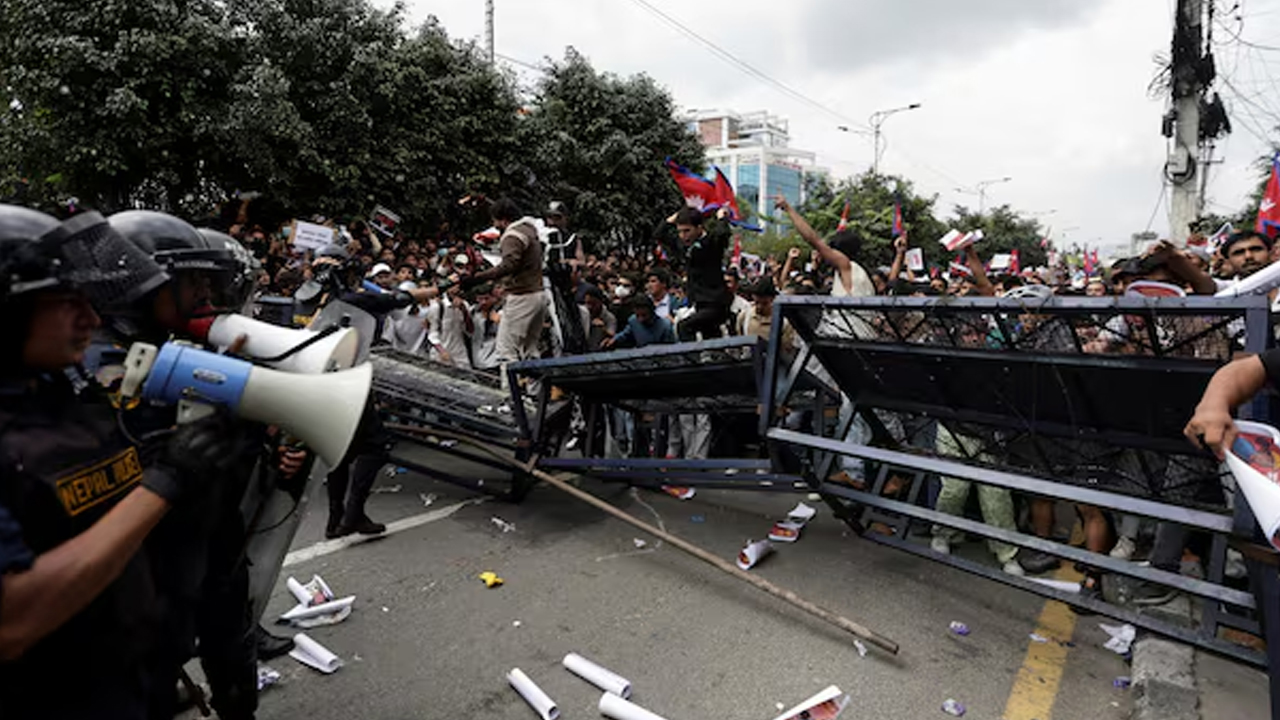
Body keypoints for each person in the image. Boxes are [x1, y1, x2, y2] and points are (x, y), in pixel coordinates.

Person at [0, 206, 239, 719]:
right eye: (66, 304)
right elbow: (12, 618)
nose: (90, 319)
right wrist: (165, 481)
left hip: (124, 672)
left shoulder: (60, 394)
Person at [460, 199, 547, 380]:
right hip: (538, 294)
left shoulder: (512, 235)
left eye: (495, 221)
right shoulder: (530, 230)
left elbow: (509, 265)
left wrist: (477, 279)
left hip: (522, 296)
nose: (495, 226)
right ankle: (534, 396)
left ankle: (510, 400)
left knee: (506, 350)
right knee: (530, 349)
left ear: (503, 220)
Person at [672, 206, 732, 342]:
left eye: (687, 231)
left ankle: (691, 361)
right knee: (711, 340)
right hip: (699, 303)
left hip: (716, 303)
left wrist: (722, 218)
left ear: (699, 228)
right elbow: (660, 234)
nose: (683, 236)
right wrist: (675, 217)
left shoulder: (711, 243)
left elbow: (722, 234)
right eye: (680, 232)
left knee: (684, 327)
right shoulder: (686, 248)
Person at [602, 295, 676, 350]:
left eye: (644, 315)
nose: (640, 319)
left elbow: (670, 349)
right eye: (638, 316)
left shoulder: (665, 326)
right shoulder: (633, 321)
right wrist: (613, 340)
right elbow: (625, 334)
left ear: (652, 312)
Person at [583, 286, 617, 352]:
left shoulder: (610, 317)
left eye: (593, 304)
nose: (589, 307)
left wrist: (602, 327)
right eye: (587, 303)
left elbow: (612, 335)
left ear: (601, 302)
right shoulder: (582, 313)